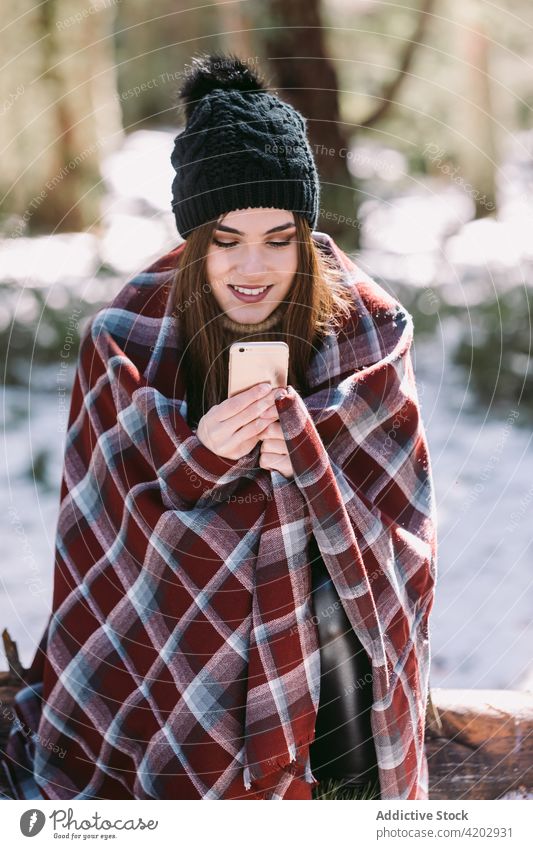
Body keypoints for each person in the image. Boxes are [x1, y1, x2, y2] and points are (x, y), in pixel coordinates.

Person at [1, 52, 437, 801]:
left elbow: (394, 531)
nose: (253, 267)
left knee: (333, 596)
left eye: (278, 237)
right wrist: (198, 458)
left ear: (305, 233)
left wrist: (305, 458)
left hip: (326, 655)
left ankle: (344, 805)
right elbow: (109, 542)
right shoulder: (126, 336)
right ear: (192, 241)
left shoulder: (369, 327)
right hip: (169, 650)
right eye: (226, 240)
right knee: (185, 579)